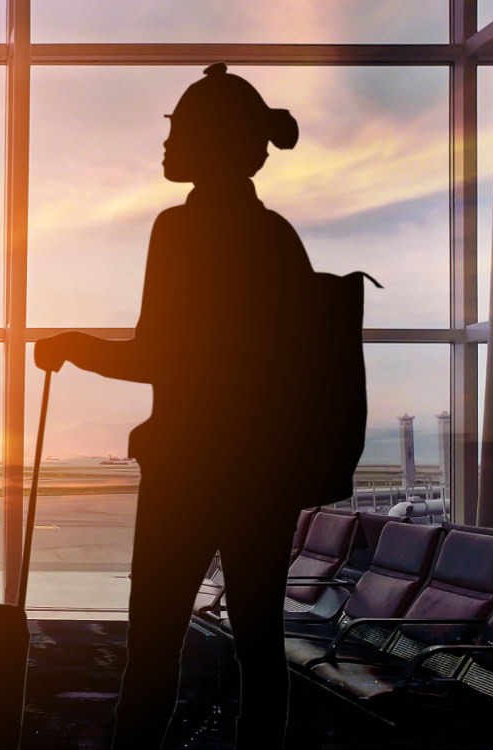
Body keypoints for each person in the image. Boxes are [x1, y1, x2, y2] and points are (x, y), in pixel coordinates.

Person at [34, 63, 312, 750]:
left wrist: (75, 346)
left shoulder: (182, 230)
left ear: (212, 142)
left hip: (189, 468)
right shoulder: (276, 237)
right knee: (260, 643)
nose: (165, 143)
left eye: (179, 129)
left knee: (154, 645)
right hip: (262, 475)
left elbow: (161, 356)